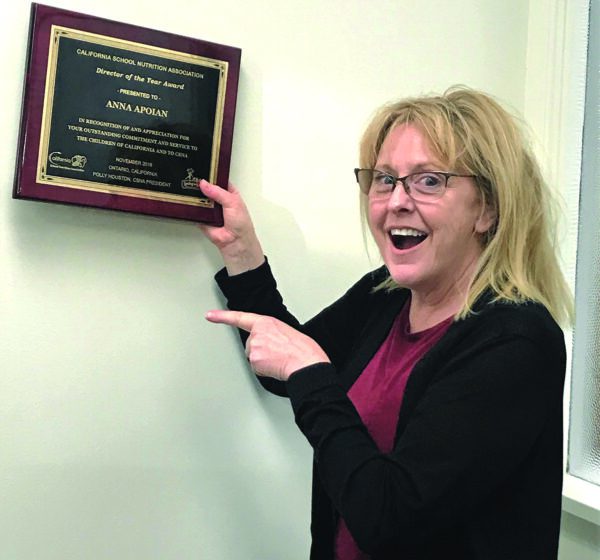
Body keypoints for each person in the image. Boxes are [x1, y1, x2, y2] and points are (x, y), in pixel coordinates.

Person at [200, 85, 573, 560]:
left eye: (429, 181)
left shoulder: (517, 342)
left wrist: (308, 372)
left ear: (487, 209)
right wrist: (242, 255)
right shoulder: (387, 295)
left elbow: (391, 519)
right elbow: (290, 366)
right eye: (383, 179)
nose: (395, 200)